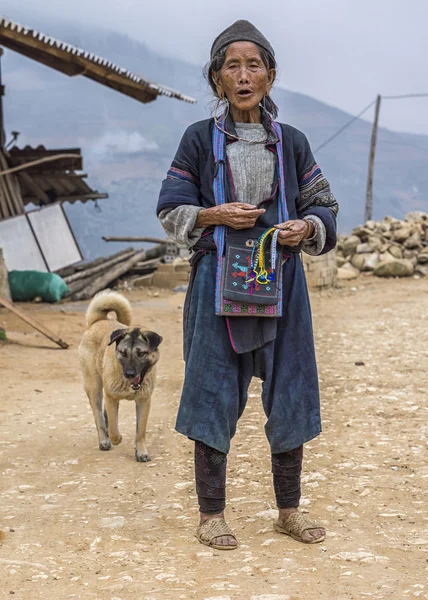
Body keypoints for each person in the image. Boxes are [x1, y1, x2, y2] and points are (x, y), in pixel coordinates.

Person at [157, 19, 338, 550]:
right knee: (211, 393)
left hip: (282, 283)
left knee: (291, 392)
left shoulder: (294, 143)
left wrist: (306, 227)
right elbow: (170, 210)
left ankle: (288, 512)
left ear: (270, 76)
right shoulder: (197, 140)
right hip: (218, 281)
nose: (243, 75)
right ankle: (211, 516)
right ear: (217, 80)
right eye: (231, 66)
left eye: (253, 65)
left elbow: (324, 207)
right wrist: (213, 215)